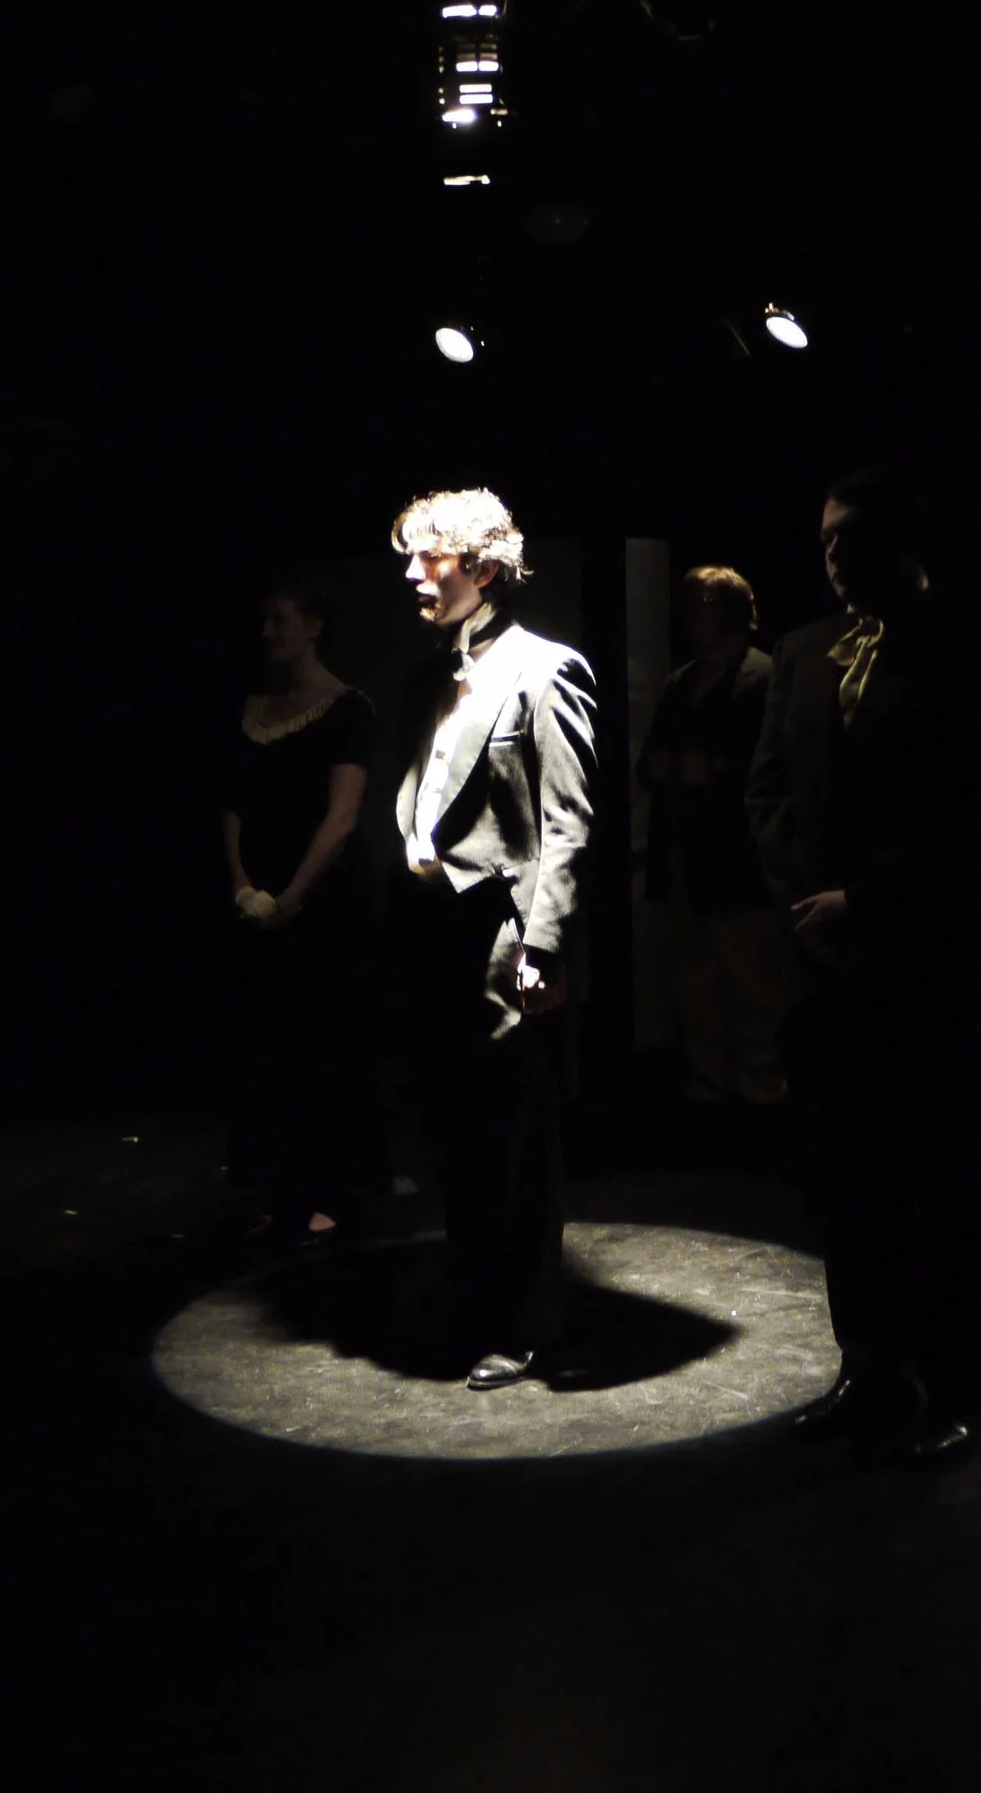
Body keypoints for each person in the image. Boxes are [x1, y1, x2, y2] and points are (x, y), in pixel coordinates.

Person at [745, 466, 981, 1467]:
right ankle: (869, 1370)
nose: (832, 553)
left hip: (928, 964)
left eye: (851, 535)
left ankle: (952, 1381)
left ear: (902, 541)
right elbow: (768, 793)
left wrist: (866, 900)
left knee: (938, 1185)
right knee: (848, 1179)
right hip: (830, 971)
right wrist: (807, 904)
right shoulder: (804, 650)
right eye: (824, 536)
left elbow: (973, 802)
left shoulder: (968, 644)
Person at [389, 489, 599, 1389]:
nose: (411, 573)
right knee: (457, 1138)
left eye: (426, 556)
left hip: (502, 941)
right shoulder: (426, 676)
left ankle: (523, 1325)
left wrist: (542, 946)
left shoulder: (546, 668)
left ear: (478, 564)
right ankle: (474, 1307)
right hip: (432, 937)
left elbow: (568, 821)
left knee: (514, 1142)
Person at [220, 585, 378, 1246]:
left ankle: (329, 1192)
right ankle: (277, 1187)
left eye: (279, 619)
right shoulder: (253, 709)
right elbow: (233, 804)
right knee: (265, 1044)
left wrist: (293, 896)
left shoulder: (347, 709)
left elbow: (341, 817)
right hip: (257, 900)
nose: (267, 631)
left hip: (322, 905)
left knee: (320, 1043)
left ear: (313, 626)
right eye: (264, 619)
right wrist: (241, 882)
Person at [638, 565, 789, 1108]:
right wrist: (669, 768)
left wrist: (707, 770)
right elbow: (650, 763)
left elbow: (776, 770)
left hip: (741, 861)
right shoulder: (682, 681)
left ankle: (760, 1086)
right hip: (688, 859)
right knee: (694, 979)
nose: (688, 612)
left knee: (753, 985)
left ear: (731, 609)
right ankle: (712, 1082)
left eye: (701, 602)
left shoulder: (766, 677)